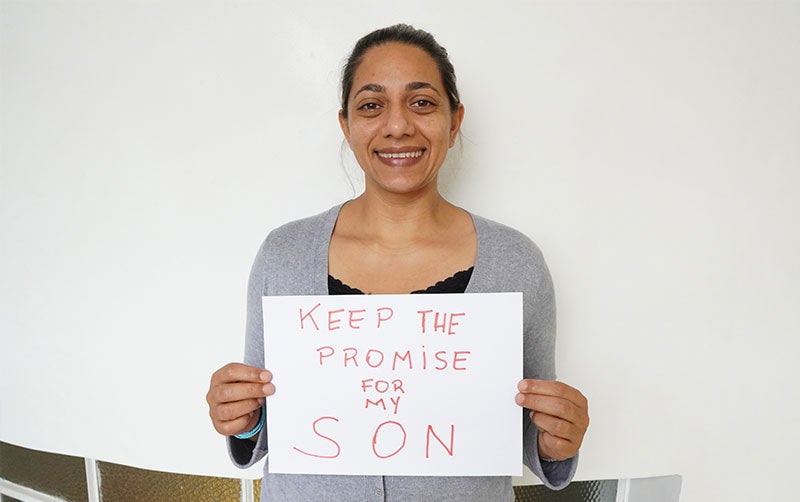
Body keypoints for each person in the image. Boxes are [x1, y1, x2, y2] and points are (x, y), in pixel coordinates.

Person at [206, 23, 589, 501]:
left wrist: (556, 441)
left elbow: (528, 431)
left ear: (454, 120)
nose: (398, 125)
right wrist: (241, 421)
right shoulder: (283, 255)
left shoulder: (516, 261)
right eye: (371, 105)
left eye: (422, 101)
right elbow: (263, 418)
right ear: (346, 125)